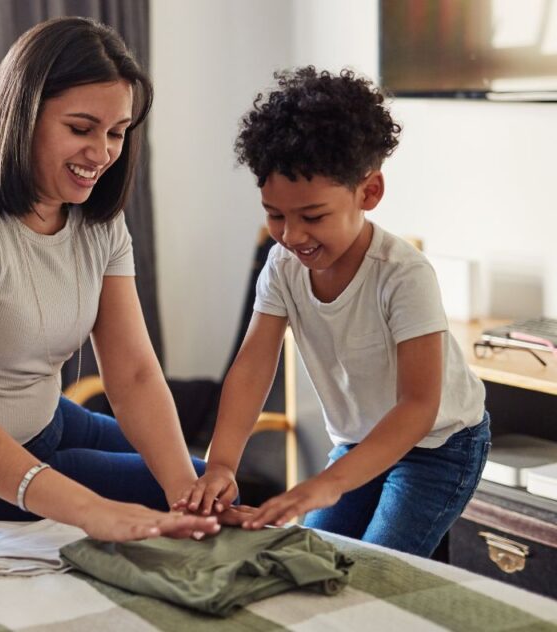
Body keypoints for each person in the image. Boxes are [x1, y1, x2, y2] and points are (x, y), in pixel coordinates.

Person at [0, 17, 228, 542]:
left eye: (116, 133)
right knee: (155, 510)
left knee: (211, 495)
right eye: (81, 129)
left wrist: (184, 492)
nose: (103, 153)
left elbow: (132, 374)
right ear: (22, 117)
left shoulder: (97, 221)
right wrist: (90, 511)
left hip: (47, 425)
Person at [177, 67, 490, 557]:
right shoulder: (282, 265)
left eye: (313, 216)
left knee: (371, 570)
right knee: (313, 559)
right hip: (358, 443)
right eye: (275, 214)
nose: (292, 235)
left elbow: (418, 406)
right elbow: (253, 367)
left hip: (438, 447)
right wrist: (220, 465)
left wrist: (323, 485)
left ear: (369, 193)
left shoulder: (402, 274)